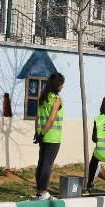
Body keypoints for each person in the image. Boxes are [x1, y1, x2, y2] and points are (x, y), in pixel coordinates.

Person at [34, 72, 64, 200]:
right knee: (47, 165)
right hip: (52, 137)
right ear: (57, 85)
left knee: (41, 163)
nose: (63, 86)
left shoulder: (43, 98)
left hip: (42, 136)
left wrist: (38, 133)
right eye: (62, 84)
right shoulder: (56, 99)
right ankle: (43, 192)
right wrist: (43, 133)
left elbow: (37, 118)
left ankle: (39, 191)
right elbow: (51, 120)